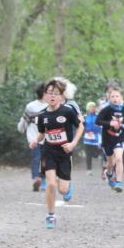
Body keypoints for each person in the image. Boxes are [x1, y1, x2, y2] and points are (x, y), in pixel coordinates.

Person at [31, 78, 84, 229]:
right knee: (51, 184)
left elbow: (80, 127)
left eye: (55, 93)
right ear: (45, 96)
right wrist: (35, 140)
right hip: (49, 152)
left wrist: (73, 143)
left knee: (63, 189)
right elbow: (42, 133)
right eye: (49, 93)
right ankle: (51, 215)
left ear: (61, 96)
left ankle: (67, 183)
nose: (52, 96)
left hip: (64, 154)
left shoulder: (68, 111)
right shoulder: (42, 115)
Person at [95, 87, 124, 192]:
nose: (115, 98)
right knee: (111, 162)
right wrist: (109, 123)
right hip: (107, 138)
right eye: (112, 96)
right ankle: (109, 173)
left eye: (117, 96)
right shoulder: (106, 109)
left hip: (119, 137)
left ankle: (119, 182)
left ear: (121, 97)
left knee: (119, 158)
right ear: (109, 98)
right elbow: (98, 121)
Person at [18, 83, 48, 191]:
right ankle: (37, 178)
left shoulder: (51, 106)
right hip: (33, 137)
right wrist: (21, 129)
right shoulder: (31, 106)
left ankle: (43, 180)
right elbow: (24, 120)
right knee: (36, 158)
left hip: (47, 139)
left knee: (44, 160)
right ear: (43, 94)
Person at [82, 101, 103, 174]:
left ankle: (102, 164)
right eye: (90, 107)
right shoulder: (84, 117)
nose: (92, 108)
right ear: (88, 108)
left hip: (96, 138)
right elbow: (81, 127)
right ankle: (89, 169)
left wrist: (95, 132)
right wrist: (87, 131)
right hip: (87, 138)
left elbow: (101, 126)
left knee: (97, 154)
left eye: (93, 107)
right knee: (88, 155)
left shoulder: (98, 116)